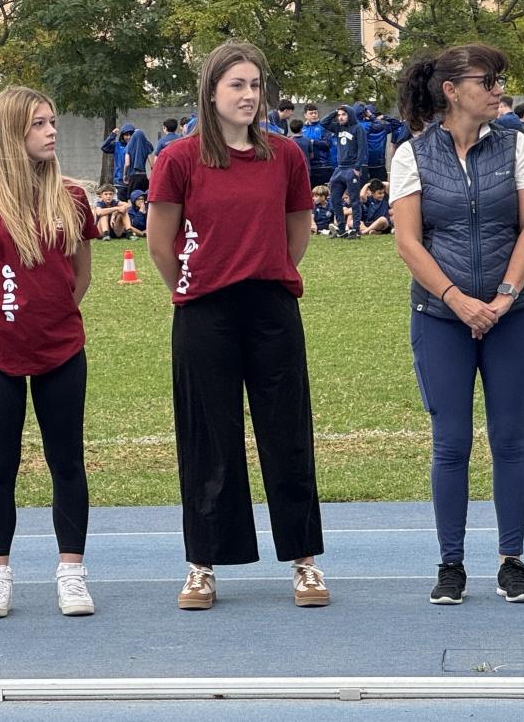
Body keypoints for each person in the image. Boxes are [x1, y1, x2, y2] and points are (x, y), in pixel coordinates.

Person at [146, 40, 327, 612]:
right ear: (212, 92)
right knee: (207, 437)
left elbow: (298, 229)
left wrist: (268, 269)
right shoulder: (179, 159)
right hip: (204, 311)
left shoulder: (287, 157)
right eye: (237, 86)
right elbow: (159, 240)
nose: (249, 96)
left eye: (255, 86)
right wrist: (196, 282)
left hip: (271, 308)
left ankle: (304, 563)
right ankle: (202, 565)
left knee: (287, 435)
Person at [390, 44, 524, 606]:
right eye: (488, 80)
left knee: (509, 438)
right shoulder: (412, 155)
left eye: (501, 79)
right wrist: (458, 301)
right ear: (453, 90)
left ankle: (512, 562)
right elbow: (409, 242)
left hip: (514, 316)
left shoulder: (517, 146)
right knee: (450, 443)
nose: (499, 89)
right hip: (440, 318)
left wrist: (502, 298)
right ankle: (450, 564)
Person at [0, 85, 97, 619]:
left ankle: (72, 572)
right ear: (11, 132)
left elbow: (81, 275)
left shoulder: (72, 198)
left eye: (52, 121)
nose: (52, 131)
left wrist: (51, 315)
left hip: (61, 350)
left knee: (66, 461)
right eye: (38, 123)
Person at [322, 105, 367, 239]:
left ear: (350, 115)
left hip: (352, 167)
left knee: (354, 200)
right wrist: (334, 111)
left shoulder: (358, 128)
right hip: (339, 168)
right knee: (335, 199)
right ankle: (341, 228)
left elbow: (362, 149)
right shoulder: (338, 127)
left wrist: (357, 167)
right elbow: (323, 122)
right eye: (339, 115)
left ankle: (356, 229)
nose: (340, 117)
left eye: (344, 114)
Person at [301, 104, 333, 188]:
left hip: (322, 166)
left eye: (315, 113)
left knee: (323, 194)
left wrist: (312, 142)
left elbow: (328, 144)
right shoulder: (302, 129)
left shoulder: (323, 127)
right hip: (308, 167)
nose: (314, 115)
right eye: (311, 113)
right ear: (305, 115)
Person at [100, 124, 134, 201]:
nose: (129, 137)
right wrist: (113, 135)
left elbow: (149, 148)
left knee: (133, 204)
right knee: (122, 204)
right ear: (122, 135)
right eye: (126, 135)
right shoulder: (117, 145)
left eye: (131, 135)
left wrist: (139, 135)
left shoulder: (136, 146)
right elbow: (104, 147)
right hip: (120, 181)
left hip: (133, 180)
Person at [123, 125, 154, 196]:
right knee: (144, 198)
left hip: (133, 177)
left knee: (132, 198)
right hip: (143, 176)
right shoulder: (146, 147)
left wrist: (124, 175)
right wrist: (151, 176)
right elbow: (152, 165)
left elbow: (127, 163)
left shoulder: (128, 147)